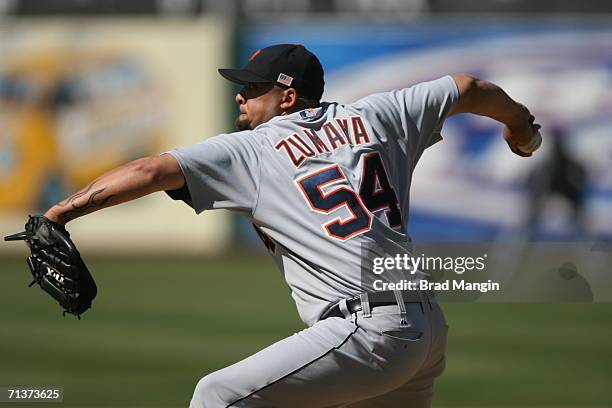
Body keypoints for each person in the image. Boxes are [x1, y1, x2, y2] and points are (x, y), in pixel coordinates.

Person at [42, 44, 541, 407]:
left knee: (216, 396)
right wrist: (519, 125)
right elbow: (469, 88)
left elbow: (150, 171)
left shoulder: (253, 149)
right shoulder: (378, 115)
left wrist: (59, 213)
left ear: (286, 96)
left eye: (252, 88)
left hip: (369, 330)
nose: (240, 97)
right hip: (425, 329)